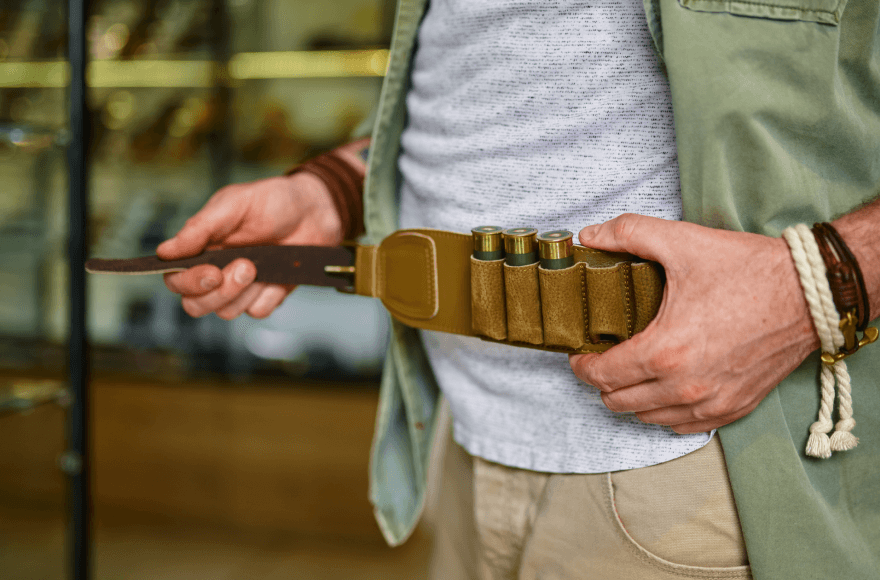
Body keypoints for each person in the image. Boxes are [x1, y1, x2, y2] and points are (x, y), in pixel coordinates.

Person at [159, 0, 880, 578]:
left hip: (698, 464)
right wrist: (340, 188)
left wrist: (816, 281)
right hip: (458, 438)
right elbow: (493, 72)